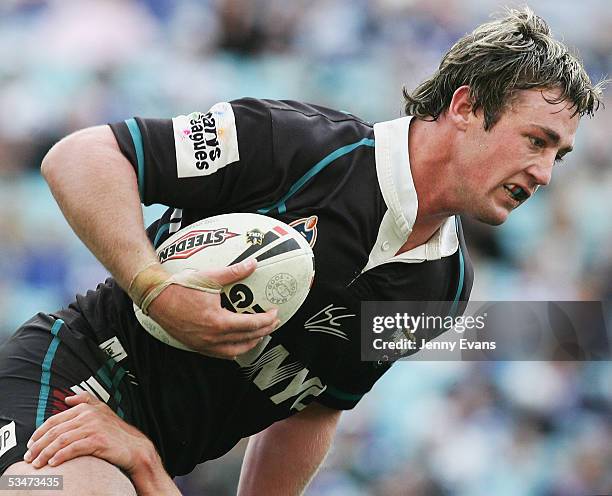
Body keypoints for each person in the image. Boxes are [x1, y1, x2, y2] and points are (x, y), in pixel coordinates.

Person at [0, 7, 604, 495]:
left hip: (153, 461)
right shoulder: (294, 144)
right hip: (73, 385)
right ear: (467, 106)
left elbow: (315, 410)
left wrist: (150, 468)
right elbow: (79, 156)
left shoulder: (443, 289)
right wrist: (152, 286)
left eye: (560, 154)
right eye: (537, 140)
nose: (546, 173)